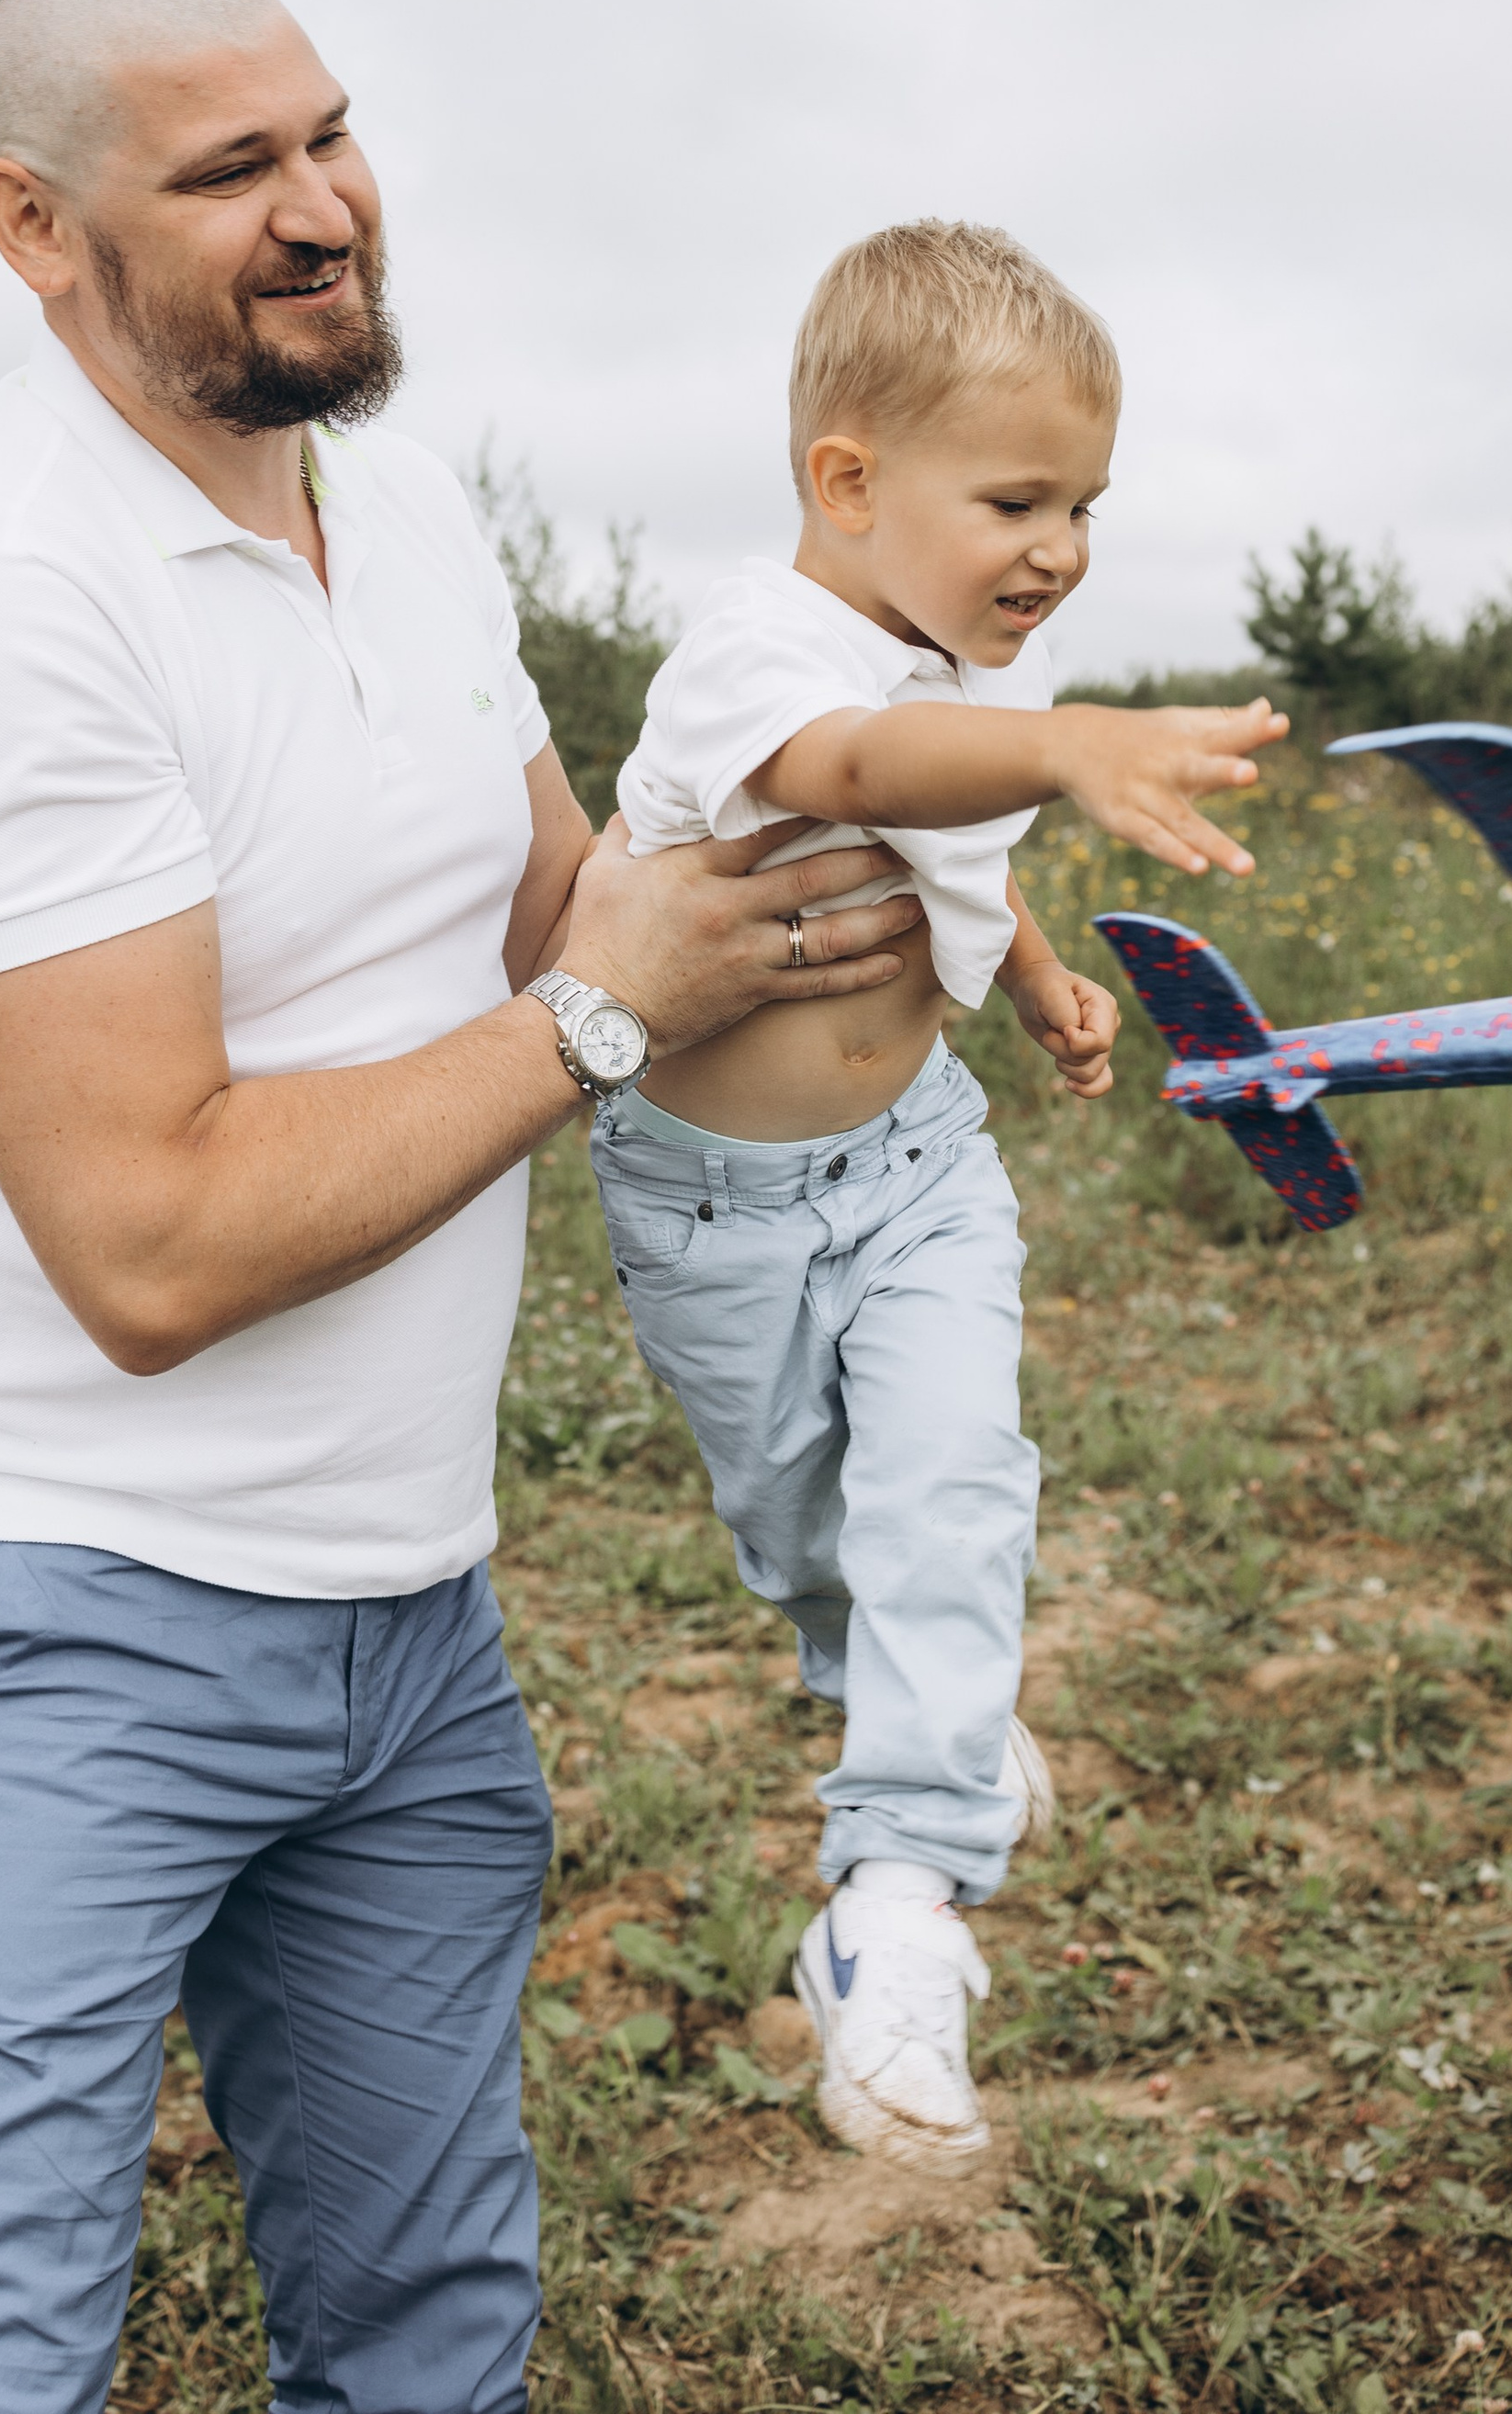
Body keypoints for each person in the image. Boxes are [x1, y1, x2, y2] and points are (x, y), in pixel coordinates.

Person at [0, 0, 924, 2414]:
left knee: (426, 2341)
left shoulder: (403, 517)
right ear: (35, 227)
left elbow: (562, 930)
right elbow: (154, 1242)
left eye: (330, 134)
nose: (325, 210)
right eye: (231, 173)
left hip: (408, 1635)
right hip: (45, 1633)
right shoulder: (2, 611)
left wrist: (930, 852)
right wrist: (604, 999)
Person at [597, 220, 1284, 2166]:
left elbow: (948, 851)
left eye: (1081, 502)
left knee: (944, 1480)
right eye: (1013, 498)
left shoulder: (972, 673)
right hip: (710, 1208)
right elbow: (866, 764)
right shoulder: (766, 653)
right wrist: (1056, 747)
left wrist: (1040, 973)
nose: (1057, 547)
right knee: (807, 1540)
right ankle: (921, 1707)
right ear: (846, 481)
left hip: (913, 1184)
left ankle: (892, 1904)